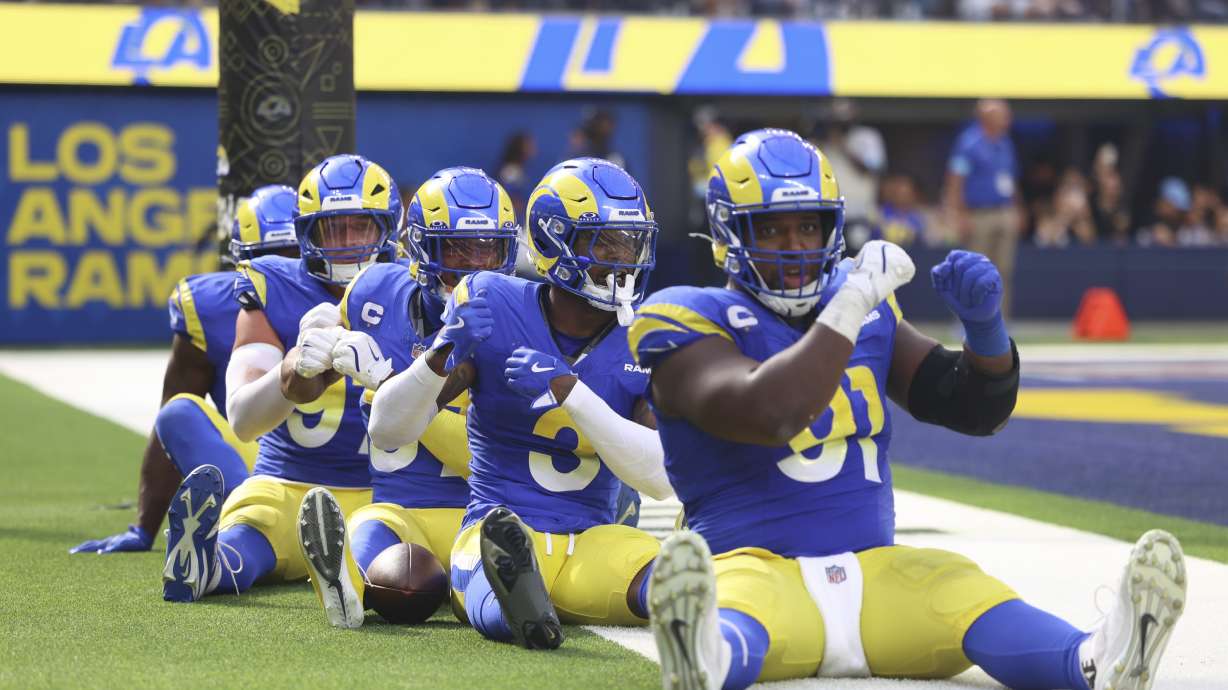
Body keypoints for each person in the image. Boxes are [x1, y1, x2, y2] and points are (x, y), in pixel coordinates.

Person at [633, 129, 1186, 690]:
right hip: (754, 566)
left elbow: (969, 408)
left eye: (809, 226)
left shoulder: (866, 308)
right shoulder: (687, 317)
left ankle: (1097, 660)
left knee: (959, 586)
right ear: (728, 231)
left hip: (878, 576)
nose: (794, 246)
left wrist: (986, 334)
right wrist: (850, 303)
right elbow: (769, 412)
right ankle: (706, 659)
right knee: (737, 612)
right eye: (770, 228)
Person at [367, 157, 672, 649]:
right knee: (491, 577)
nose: (624, 257)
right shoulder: (493, 301)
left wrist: (569, 392)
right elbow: (389, 430)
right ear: (557, 243)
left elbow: (659, 477)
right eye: (606, 242)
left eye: (631, 241)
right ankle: (517, 611)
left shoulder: (645, 336)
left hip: (592, 538)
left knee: (671, 580)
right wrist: (441, 353)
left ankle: (536, 603)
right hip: (495, 526)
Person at [160, 154, 400, 603]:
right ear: (307, 234)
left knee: (394, 553)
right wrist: (289, 376)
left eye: (360, 227)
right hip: (290, 480)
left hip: (388, 494)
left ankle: (353, 578)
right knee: (251, 530)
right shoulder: (273, 285)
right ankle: (206, 566)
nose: (347, 242)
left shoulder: (410, 289)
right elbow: (244, 419)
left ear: (386, 229)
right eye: (333, 229)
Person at [296, 166, 520, 628]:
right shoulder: (372, 292)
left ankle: (494, 599)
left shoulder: (522, 318)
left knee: (450, 581)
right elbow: (305, 380)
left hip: (484, 515)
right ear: (418, 251)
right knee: (371, 536)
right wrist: (313, 349)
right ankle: (348, 586)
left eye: (488, 250)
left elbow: (494, 456)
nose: (475, 268)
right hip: (399, 511)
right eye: (456, 250)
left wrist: (387, 381)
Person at [70, 185, 299, 555]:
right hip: (266, 472)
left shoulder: (360, 298)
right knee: (178, 411)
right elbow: (171, 421)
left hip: (348, 472)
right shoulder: (212, 309)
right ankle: (254, 526)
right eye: (268, 260)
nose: (279, 272)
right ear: (241, 262)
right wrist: (143, 529)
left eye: (292, 258)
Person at [944, 99, 1022, 318]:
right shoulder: (969, 143)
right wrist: (958, 215)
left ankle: (999, 320)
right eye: (1002, 115)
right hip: (978, 214)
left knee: (1003, 270)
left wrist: (1017, 209)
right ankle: (968, 319)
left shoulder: (1005, 143)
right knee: (974, 271)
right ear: (986, 117)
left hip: (1004, 211)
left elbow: (1011, 180)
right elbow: (955, 180)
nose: (1008, 119)